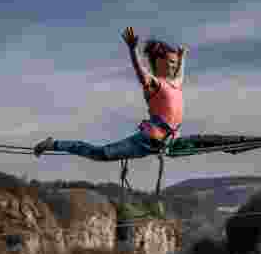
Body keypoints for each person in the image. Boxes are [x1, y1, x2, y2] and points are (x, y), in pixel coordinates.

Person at [34, 26, 186, 159]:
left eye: (176, 64)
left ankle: (184, 143)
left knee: (181, 143)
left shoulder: (175, 84)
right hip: (148, 140)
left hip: (166, 141)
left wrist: (182, 57)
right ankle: (54, 144)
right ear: (159, 61)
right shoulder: (154, 84)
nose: (175, 66)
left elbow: (180, 73)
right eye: (172, 62)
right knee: (102, 153)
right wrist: (133, 50)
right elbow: (141, 73)